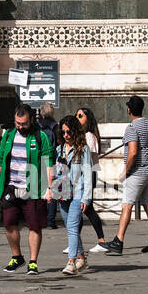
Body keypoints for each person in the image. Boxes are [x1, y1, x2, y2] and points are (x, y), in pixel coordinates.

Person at [0, 104, 54, 275]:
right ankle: (17, 256)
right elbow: (0, 159)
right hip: (10, 186)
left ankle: (33, 262)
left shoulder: (41, 136)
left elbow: (48, 163)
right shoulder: (9, 135)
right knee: (9, 223)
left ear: (32, 120)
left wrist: (50, 187)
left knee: (34, 226)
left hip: (33, 187)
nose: (20, 126)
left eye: (24, 123)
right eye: (17, 123)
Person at [102, 96, 148, 256]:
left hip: (137, 173)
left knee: (127, 205)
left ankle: (118, 241)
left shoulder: (131, 128)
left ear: (129, 109)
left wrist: (125, 172)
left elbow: (133, 151)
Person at [58, 118, 93, 276]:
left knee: (72, 227)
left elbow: (88, 175)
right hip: (63, 193)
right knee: (71, 228)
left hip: (78, 192)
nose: (66, 135)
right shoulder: (59, 149)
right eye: (63, 132)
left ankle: (71, 262)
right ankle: (82, 258)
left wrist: (87, 198)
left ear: (75, 131)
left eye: (69, 132)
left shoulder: (83, 149)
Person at [74, 107, 109, 253]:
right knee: (81, 208)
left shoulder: (89, 136)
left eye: (80, 115)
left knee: (86, 208)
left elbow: (92, 159)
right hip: (85, 174)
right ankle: (75, 241)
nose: (77, 117)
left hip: (88, 174)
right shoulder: (85, 135)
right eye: (76, 115)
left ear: (87, 118)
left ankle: (100, 241)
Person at [39, 103, 62, 230]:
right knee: (52, 190)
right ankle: (50, 220)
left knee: (39, 188)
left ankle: (41, 218)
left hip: (39, 161)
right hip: (52, 161)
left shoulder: (37, 127)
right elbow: (59, 144)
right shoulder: (56, 127)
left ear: (41, 113)